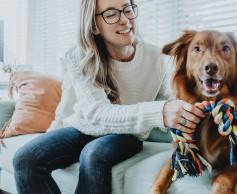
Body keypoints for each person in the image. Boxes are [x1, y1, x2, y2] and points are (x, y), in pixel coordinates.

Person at [12, 0, 205, 193]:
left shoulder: (155, 56)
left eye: (127, 10)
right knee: (25, 159)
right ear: (94, 26)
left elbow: (165, 98)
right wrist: (161, 112)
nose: (125, 20)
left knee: (93, 154)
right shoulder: (78, 56)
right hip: (85, 127)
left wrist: (190, 109)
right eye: (111, 14)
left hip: (127, 134)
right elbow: (96, 112)